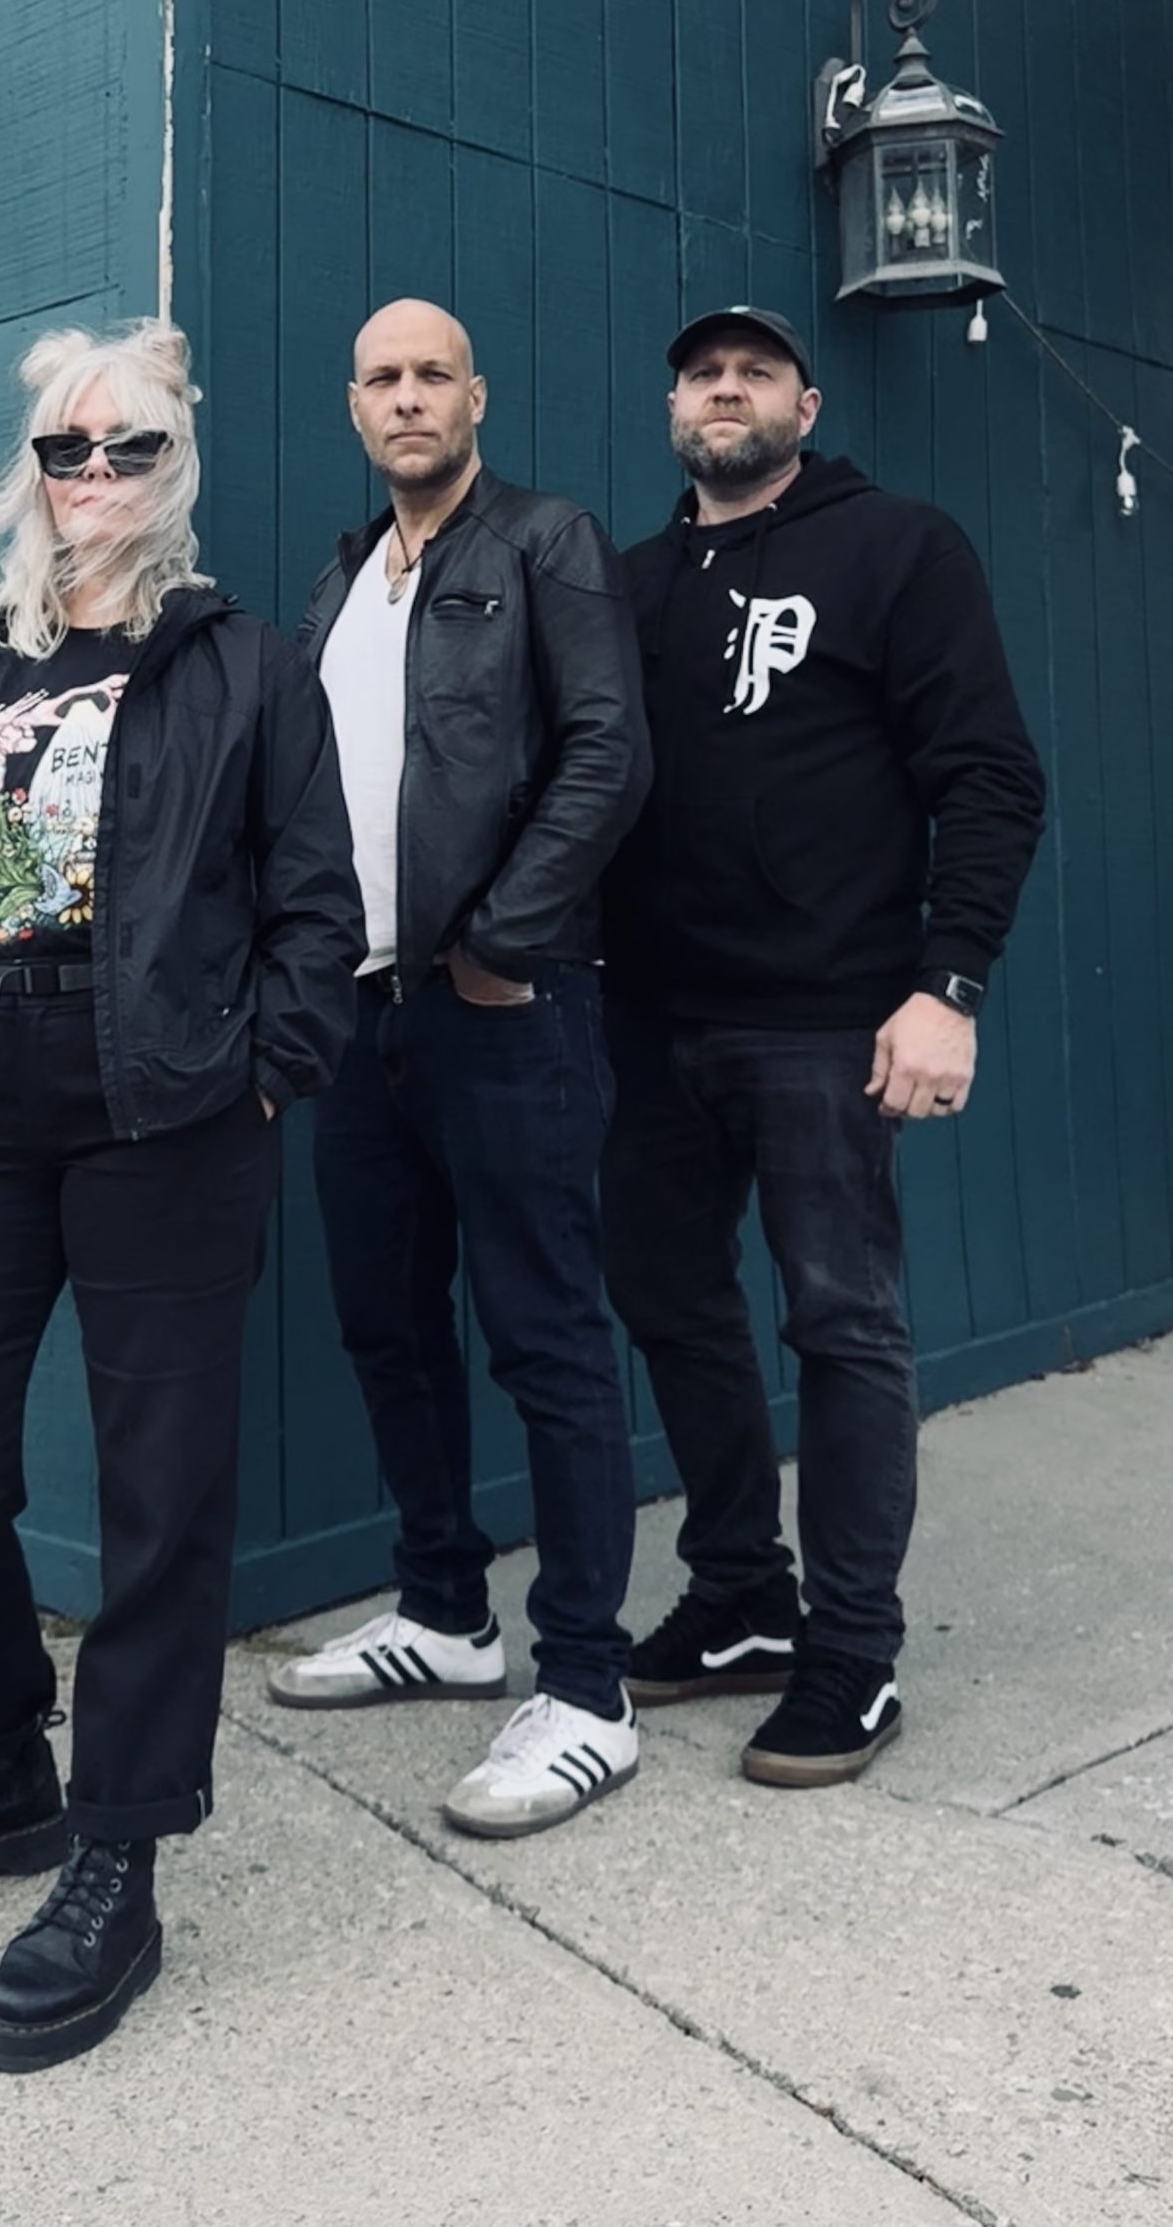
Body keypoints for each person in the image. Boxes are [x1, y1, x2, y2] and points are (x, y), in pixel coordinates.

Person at [0, 320, 362, 2071]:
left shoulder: (245, 667)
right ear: (36, 471)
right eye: (71, 447)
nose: (98, 475)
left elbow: (317, 905)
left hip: (167, 1108)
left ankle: (119, 1851)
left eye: (133, 446)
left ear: (176, 465)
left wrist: (263, 1069)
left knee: (162, 1490)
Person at [601, 305, 1045, 1786]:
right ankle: (741, 1597)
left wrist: (949, 985)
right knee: (670, 1303)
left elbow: (991, 776)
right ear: (675, 409)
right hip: (655, 1022)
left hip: (827, 1022)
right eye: (702, 374)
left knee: (842, 1327)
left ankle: (852, 1653)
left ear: (805, 406)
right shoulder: (633, 582)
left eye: (756, 373)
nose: (726, 390)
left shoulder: (898, 549)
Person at [268, 297, 652, 1843]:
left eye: (434, 373)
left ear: (475, 397)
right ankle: (443, 1613)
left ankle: (589, 1689)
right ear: (354, 407)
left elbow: (608, 753)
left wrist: (501, 938)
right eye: (383, 377)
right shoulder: (340, 581)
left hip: (504, 1004)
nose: (409, 397)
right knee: (388, 1325)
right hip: (363, 1014)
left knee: (546, 1336)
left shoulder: (546, 543)